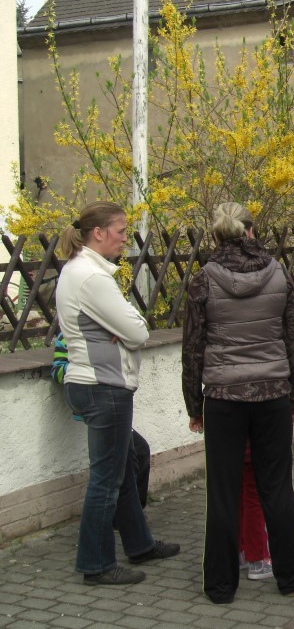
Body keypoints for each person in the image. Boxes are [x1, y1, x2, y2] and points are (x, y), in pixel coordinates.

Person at [182, 202, 294, 603]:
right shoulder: (280, 272)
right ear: (251, 231)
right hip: (272, 394)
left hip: (223, 398)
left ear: (217, 235)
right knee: (276, 487)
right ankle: (290, 574)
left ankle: (221, 586)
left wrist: (194, 406)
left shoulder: (203, 279)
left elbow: (193, 348)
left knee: (222, 492)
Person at [55, 201, 180, 586]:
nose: (126, 238)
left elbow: (133, 325)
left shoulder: (84, 273)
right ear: (98, 233)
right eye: (121, 230)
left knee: (124, 466)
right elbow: (140, 332)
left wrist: (128, 325)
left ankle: (139, 543)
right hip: (102, 386)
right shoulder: (91, 278)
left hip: (96, 383)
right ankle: (95, 564)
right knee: (106, 480)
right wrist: (129, 327)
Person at [52, 331, 152, 511]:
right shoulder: (67, 335)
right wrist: (83, 366)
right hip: (98, 407)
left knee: (139, 452)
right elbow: (58, 370)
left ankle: (134, 516)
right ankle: (128, 520)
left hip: (116, 404)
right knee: (121, 464)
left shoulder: (110, 328)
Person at [238, 445, 273, 580]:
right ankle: (258, 559)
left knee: (239, 495)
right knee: (254, 497)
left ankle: (241, 552)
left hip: (232, 446)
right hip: (252, 445)